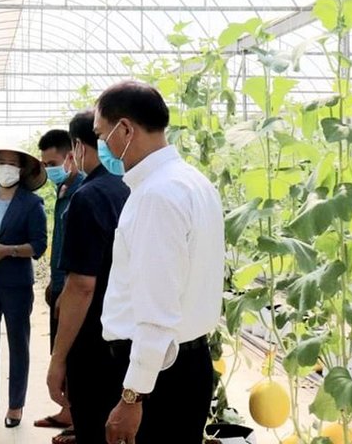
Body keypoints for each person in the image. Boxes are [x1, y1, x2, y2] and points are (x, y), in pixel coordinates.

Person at [94, 81, 224, 444]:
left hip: (159, 378)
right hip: (187, 364)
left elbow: (156, 310)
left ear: (125, 129)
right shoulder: (193, 182)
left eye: (102, 135)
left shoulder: (156, 196)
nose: (102, 145)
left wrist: (132, 396)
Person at [46, 111, 129, 444]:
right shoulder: (130, 187)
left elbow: (81, 286)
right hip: (126, 336)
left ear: (78, 147)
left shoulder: (87, 196)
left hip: (93, 337)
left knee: (93, 424)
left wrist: (58, 360)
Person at [0, 148, 48, 429]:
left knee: (18, 343)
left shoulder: (32, 203)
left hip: (16, 283)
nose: (6, 168)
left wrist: (9, 250)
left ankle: (15, 405)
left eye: (12, 164)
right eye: (1, 163)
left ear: (22, 170)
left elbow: (39, 245)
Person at [35, 130, 84, 437]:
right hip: (60, 282)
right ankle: (68, 412)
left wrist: (65, 286)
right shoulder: (63, 188)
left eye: (52, 163)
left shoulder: (81, 192)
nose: (48, 169)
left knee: (72, 354)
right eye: (44, 164)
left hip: (71, 287)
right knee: (59, 346)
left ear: (70, 157)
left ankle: (79, 419)